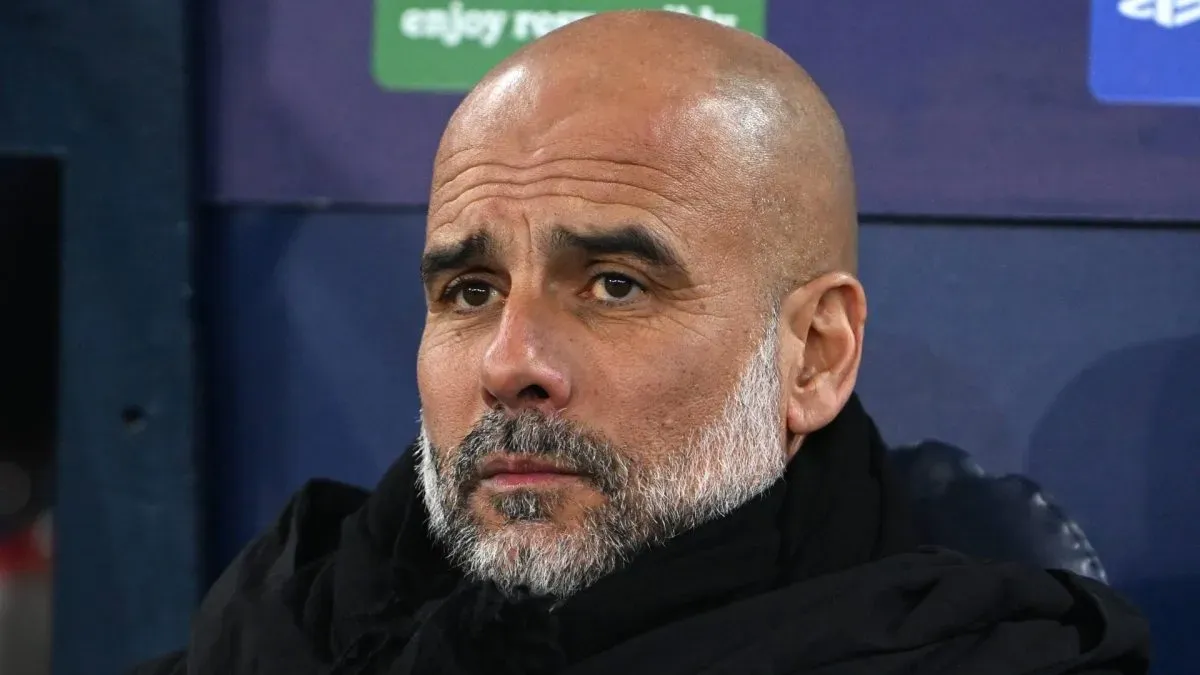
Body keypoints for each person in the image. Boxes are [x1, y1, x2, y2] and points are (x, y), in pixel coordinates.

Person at [135, 10, 1150, 675]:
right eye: (470, 289)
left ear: (814, 356)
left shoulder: (966, 657)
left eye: (616, 285)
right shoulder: (294, 623)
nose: (509, 361)